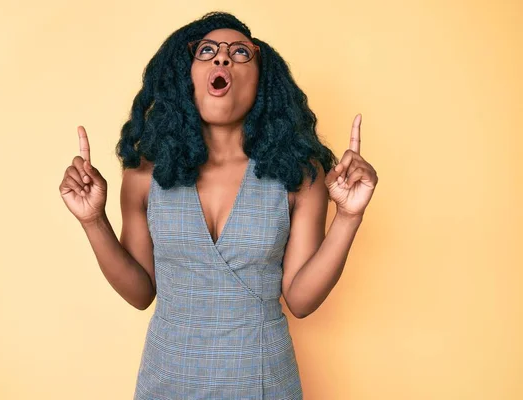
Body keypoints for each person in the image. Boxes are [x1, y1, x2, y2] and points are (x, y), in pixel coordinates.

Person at [59, 11, 378, 400]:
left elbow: (300, 299)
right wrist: (93, 221)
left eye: (241, 53)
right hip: (167, 378)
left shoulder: (298, 175)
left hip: (263, 380)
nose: (222, 58)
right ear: (184, 76)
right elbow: (141, 292)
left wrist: (349, 216)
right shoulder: (145, 175)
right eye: (207, 50)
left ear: (262, 81)